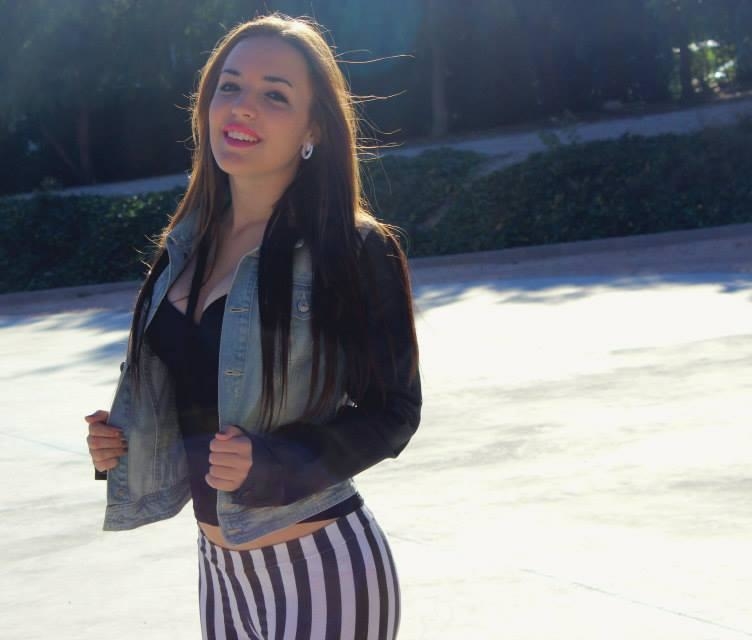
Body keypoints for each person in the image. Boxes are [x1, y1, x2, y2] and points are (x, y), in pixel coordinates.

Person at [84, 13, 421, 640]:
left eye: (275, 95)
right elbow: (194, 395)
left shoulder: (351, 248)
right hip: (220, 574)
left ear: (313, 128)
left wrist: (274, 461)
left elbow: (394, 412)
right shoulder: (185, 246)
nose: (243, 107)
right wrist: (120, 443)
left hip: (321, 566)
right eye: (231, 86)